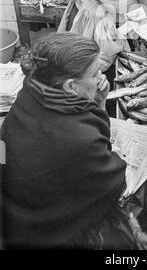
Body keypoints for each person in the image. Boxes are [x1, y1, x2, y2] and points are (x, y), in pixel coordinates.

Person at [0, 33, 131, 249]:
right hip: (43, 234)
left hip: (15, 214)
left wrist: (98, 101)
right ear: (70, 86)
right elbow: (116, 182)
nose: (101, 78)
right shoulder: (79, 140)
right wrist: (99, 107)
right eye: (95, 73)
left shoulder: (29, 93)